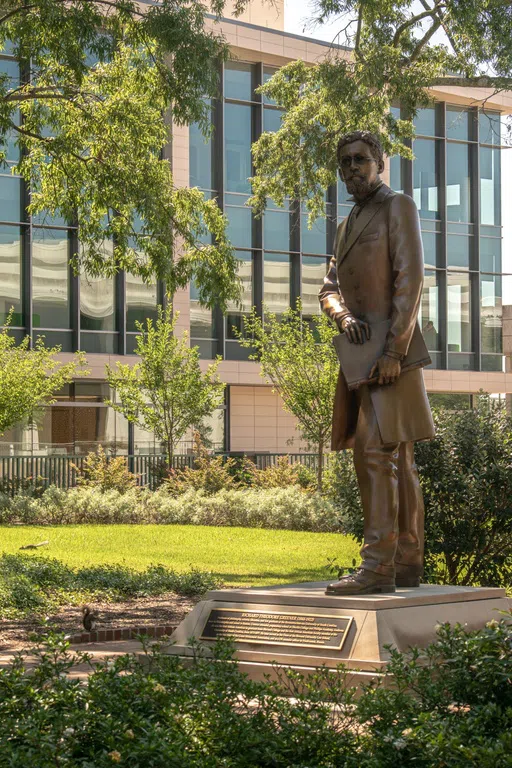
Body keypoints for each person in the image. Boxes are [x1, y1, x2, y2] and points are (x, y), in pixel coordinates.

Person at [319, 130, 435, 595]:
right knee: (396, 457)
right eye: (344, 163)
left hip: (392, 355)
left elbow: (411, 280)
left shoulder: (397, 207)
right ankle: (406, 562)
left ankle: (377, 567)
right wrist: (343, 316)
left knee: (376, 454)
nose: (351, 170)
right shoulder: (347, 224)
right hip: (360, 356)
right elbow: (329, 288)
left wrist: (393, 351)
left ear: (380, 163)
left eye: (360, 160)